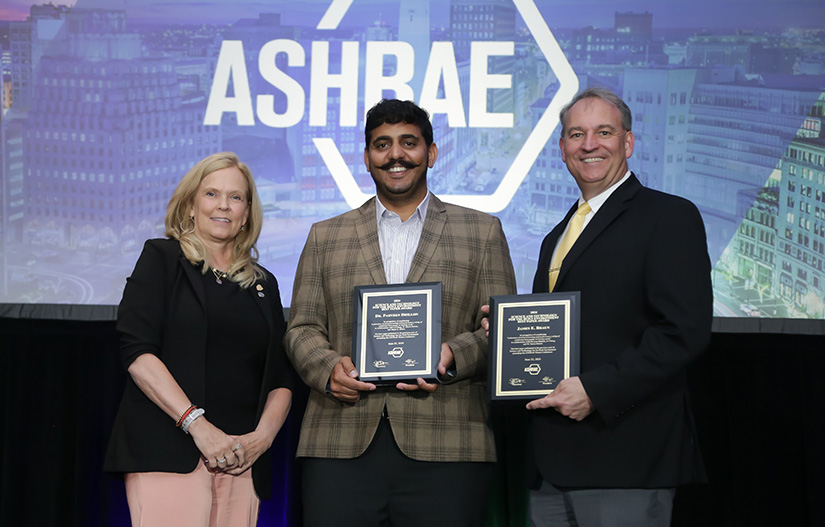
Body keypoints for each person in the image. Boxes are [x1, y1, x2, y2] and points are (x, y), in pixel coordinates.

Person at [284, 99, 517, 527]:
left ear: (430, 152)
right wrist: (329, 367)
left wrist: (453, 354)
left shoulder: (482, 231)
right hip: (340, 441)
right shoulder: (325, 236)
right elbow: (302, 327)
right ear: (368, 158)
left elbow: (502, 329)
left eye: (408, 142)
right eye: (382, 145)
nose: (396, 155)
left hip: (448, 442)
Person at [527, 87, 712, 525]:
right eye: (576, 134)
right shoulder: (557, 236)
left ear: (627, 143)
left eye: (603, 132)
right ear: (563, 149)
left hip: (627, 460)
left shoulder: (668, 216)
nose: (589, 144)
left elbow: (682, 332)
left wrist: (596, 390)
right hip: (551, 466)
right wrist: (512, 334)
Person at [104, 152, 294, 527]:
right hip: (170, 454)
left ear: (247, 213)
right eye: (211, 194)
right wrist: (198, 426)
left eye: (236, 197)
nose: (223, 205)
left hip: (243, 462)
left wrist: (262, 439)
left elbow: (282, 378)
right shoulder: (162, 259)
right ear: (190, 206)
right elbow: (138, 353)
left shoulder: (263, 283)